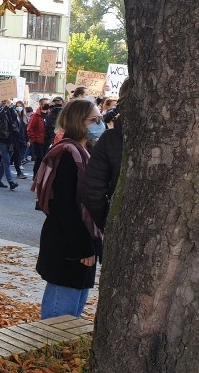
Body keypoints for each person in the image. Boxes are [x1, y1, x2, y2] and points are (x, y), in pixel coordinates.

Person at [32, 99, 102, 319]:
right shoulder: (68, 156)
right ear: (78, 122)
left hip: (78, 242)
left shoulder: (83, 152)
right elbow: (64, 206)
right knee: (59, 318)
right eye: (94, 119)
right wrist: (83, 247)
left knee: (73, 311)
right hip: (68, 245)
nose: (99, 123)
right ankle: (48, 352)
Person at [80, 78, 132, 232]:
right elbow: (91, 190)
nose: (99, 123)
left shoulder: (110, 139)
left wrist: (108, 223)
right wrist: (107, 222)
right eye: (95, 120)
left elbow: (92, 190)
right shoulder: (111, 139)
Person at [0, 100, 20, 190]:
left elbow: (16, 121)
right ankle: (11, 182)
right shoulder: (0, 109)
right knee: (6, 161)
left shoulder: (13, 110)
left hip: (12, 139)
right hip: (3, 138)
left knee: (4, 161)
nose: (9, 101)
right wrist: (5, 108)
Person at [27, 98, 50, 178]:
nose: (48, 105)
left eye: (48, 103)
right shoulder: (35, 116)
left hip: (47, 141)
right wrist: (34, 140)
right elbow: (30, 129)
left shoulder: (50, 115)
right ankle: (35, 176)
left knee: (45, 159)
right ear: (41, 105)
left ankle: (42, 176)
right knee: (39, 159)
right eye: (46, 103)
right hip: (38, 141)